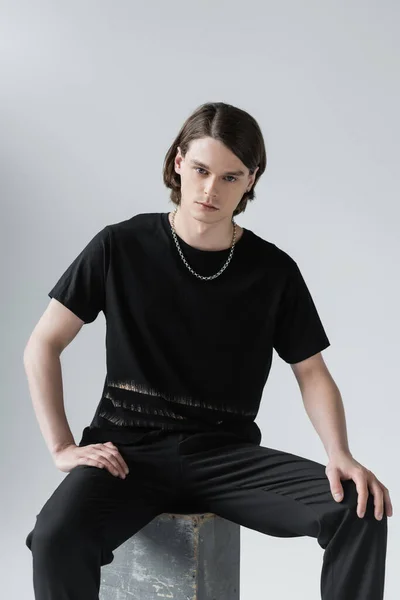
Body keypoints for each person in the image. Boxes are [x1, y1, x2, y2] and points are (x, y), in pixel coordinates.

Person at [24, 101, 392, 600]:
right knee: (54, 538)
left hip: (226, 458)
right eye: (201, 170)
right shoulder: (120, 246)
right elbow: (44, 343)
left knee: (358, 507)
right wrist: (62, 447)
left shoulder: (272, 271)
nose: (210, 190)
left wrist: (339, 453)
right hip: (129, 454)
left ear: (251, 179)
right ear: (179, 162)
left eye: (229, 177)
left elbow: (312, 372)